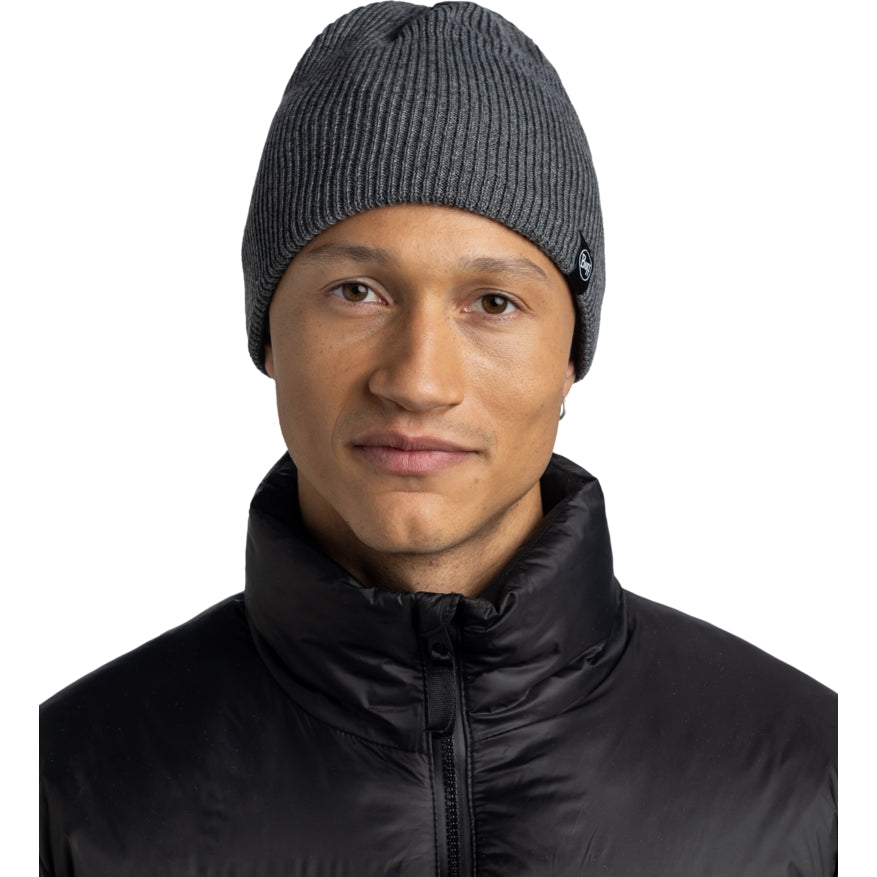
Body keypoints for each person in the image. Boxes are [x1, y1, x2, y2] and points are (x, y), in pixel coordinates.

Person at [39, 2, 837, 875]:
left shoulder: (814, 775)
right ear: (269, 336)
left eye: (492, 303)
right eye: (356, 292)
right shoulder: (70, 789)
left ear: (569, 356)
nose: (417, 380)